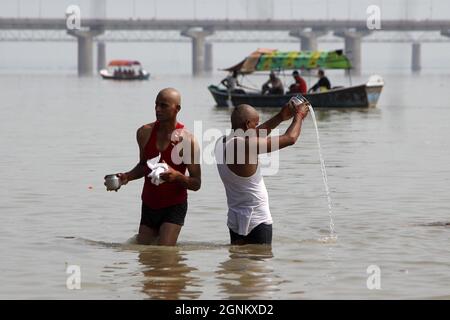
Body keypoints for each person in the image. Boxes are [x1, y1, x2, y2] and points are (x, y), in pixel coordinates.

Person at [106, 88, 201, 246]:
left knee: (165, 254)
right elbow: (144, 166)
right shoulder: (144, 133)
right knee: (146, 256)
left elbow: (196, 183)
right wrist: (126, 177)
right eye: (156, 105)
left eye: (163, 106)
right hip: (149, 203)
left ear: (177, 109)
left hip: (174, 205)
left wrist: (176, 176)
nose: (157, 109)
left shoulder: (188, 141)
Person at [214, 99, 310, 245]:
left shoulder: (221, 142)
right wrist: (299, 116)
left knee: (236, 263)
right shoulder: (243, 146)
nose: (258, 127)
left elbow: (255, 135)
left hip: (234, 219)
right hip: (257, 220)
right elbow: (290, 138)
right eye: (256, 123)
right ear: (247, 125)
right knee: (259, 264)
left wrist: (280, 117)